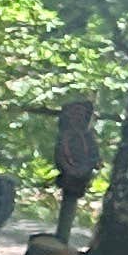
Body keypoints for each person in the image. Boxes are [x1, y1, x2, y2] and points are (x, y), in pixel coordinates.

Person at [51, 93, 99, 245]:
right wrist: (70, 170)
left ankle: (62, 239)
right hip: (69, 178)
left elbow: (93, 156)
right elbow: (60, 156)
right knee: (67, 207)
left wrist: (84, 170)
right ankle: (61, 240)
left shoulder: (87, 137)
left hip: (80, 178)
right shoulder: (65, 136)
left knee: (69, 207)